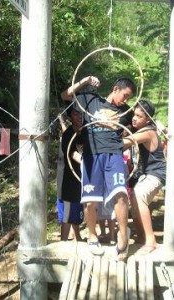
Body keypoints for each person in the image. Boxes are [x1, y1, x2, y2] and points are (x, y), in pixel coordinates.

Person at [61, 76, 136, 260]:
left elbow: (140, 126)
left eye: (128, 98)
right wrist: (85, 81)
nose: (125, 100)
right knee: (90, 200)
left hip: (114, 155)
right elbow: (65, 95)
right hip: (91, 155)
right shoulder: (90, 100)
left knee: (121, 195)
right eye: (124, 95)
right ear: (115, 88)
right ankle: (92, 236)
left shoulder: (126, 111)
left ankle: (122, 237)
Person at [123, 99, 166, 255]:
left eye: (139, 116)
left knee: (139, 195)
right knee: (134, 199)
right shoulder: (142, 129)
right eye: (134, 114)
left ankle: (151, 241)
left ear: (147, 119)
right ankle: (141, 238)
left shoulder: (147, 131)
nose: (134, 118)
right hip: (147, 173)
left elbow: (124, 143)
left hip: (156, 173)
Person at [60, 106, 84, 241]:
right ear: (70, 117)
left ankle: (78, 237)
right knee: (68, 210)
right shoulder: (68, 134)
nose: (79, 116)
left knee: (78, 207)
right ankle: (63, 240)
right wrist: (85, 162)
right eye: (75, 114)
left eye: (81, 114)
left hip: (83, 177)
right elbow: (71, 152)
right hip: (71, 177)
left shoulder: (85, 131)